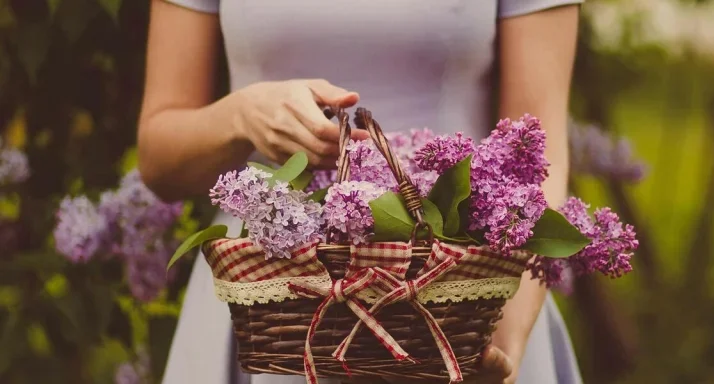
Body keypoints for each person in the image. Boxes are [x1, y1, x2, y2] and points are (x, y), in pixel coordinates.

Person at [137, 1, 583, 383]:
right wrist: (240, 117)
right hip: (269, 300)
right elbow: (160, 159)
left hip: (463, 300)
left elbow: (539, 155)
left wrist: (498, 346)